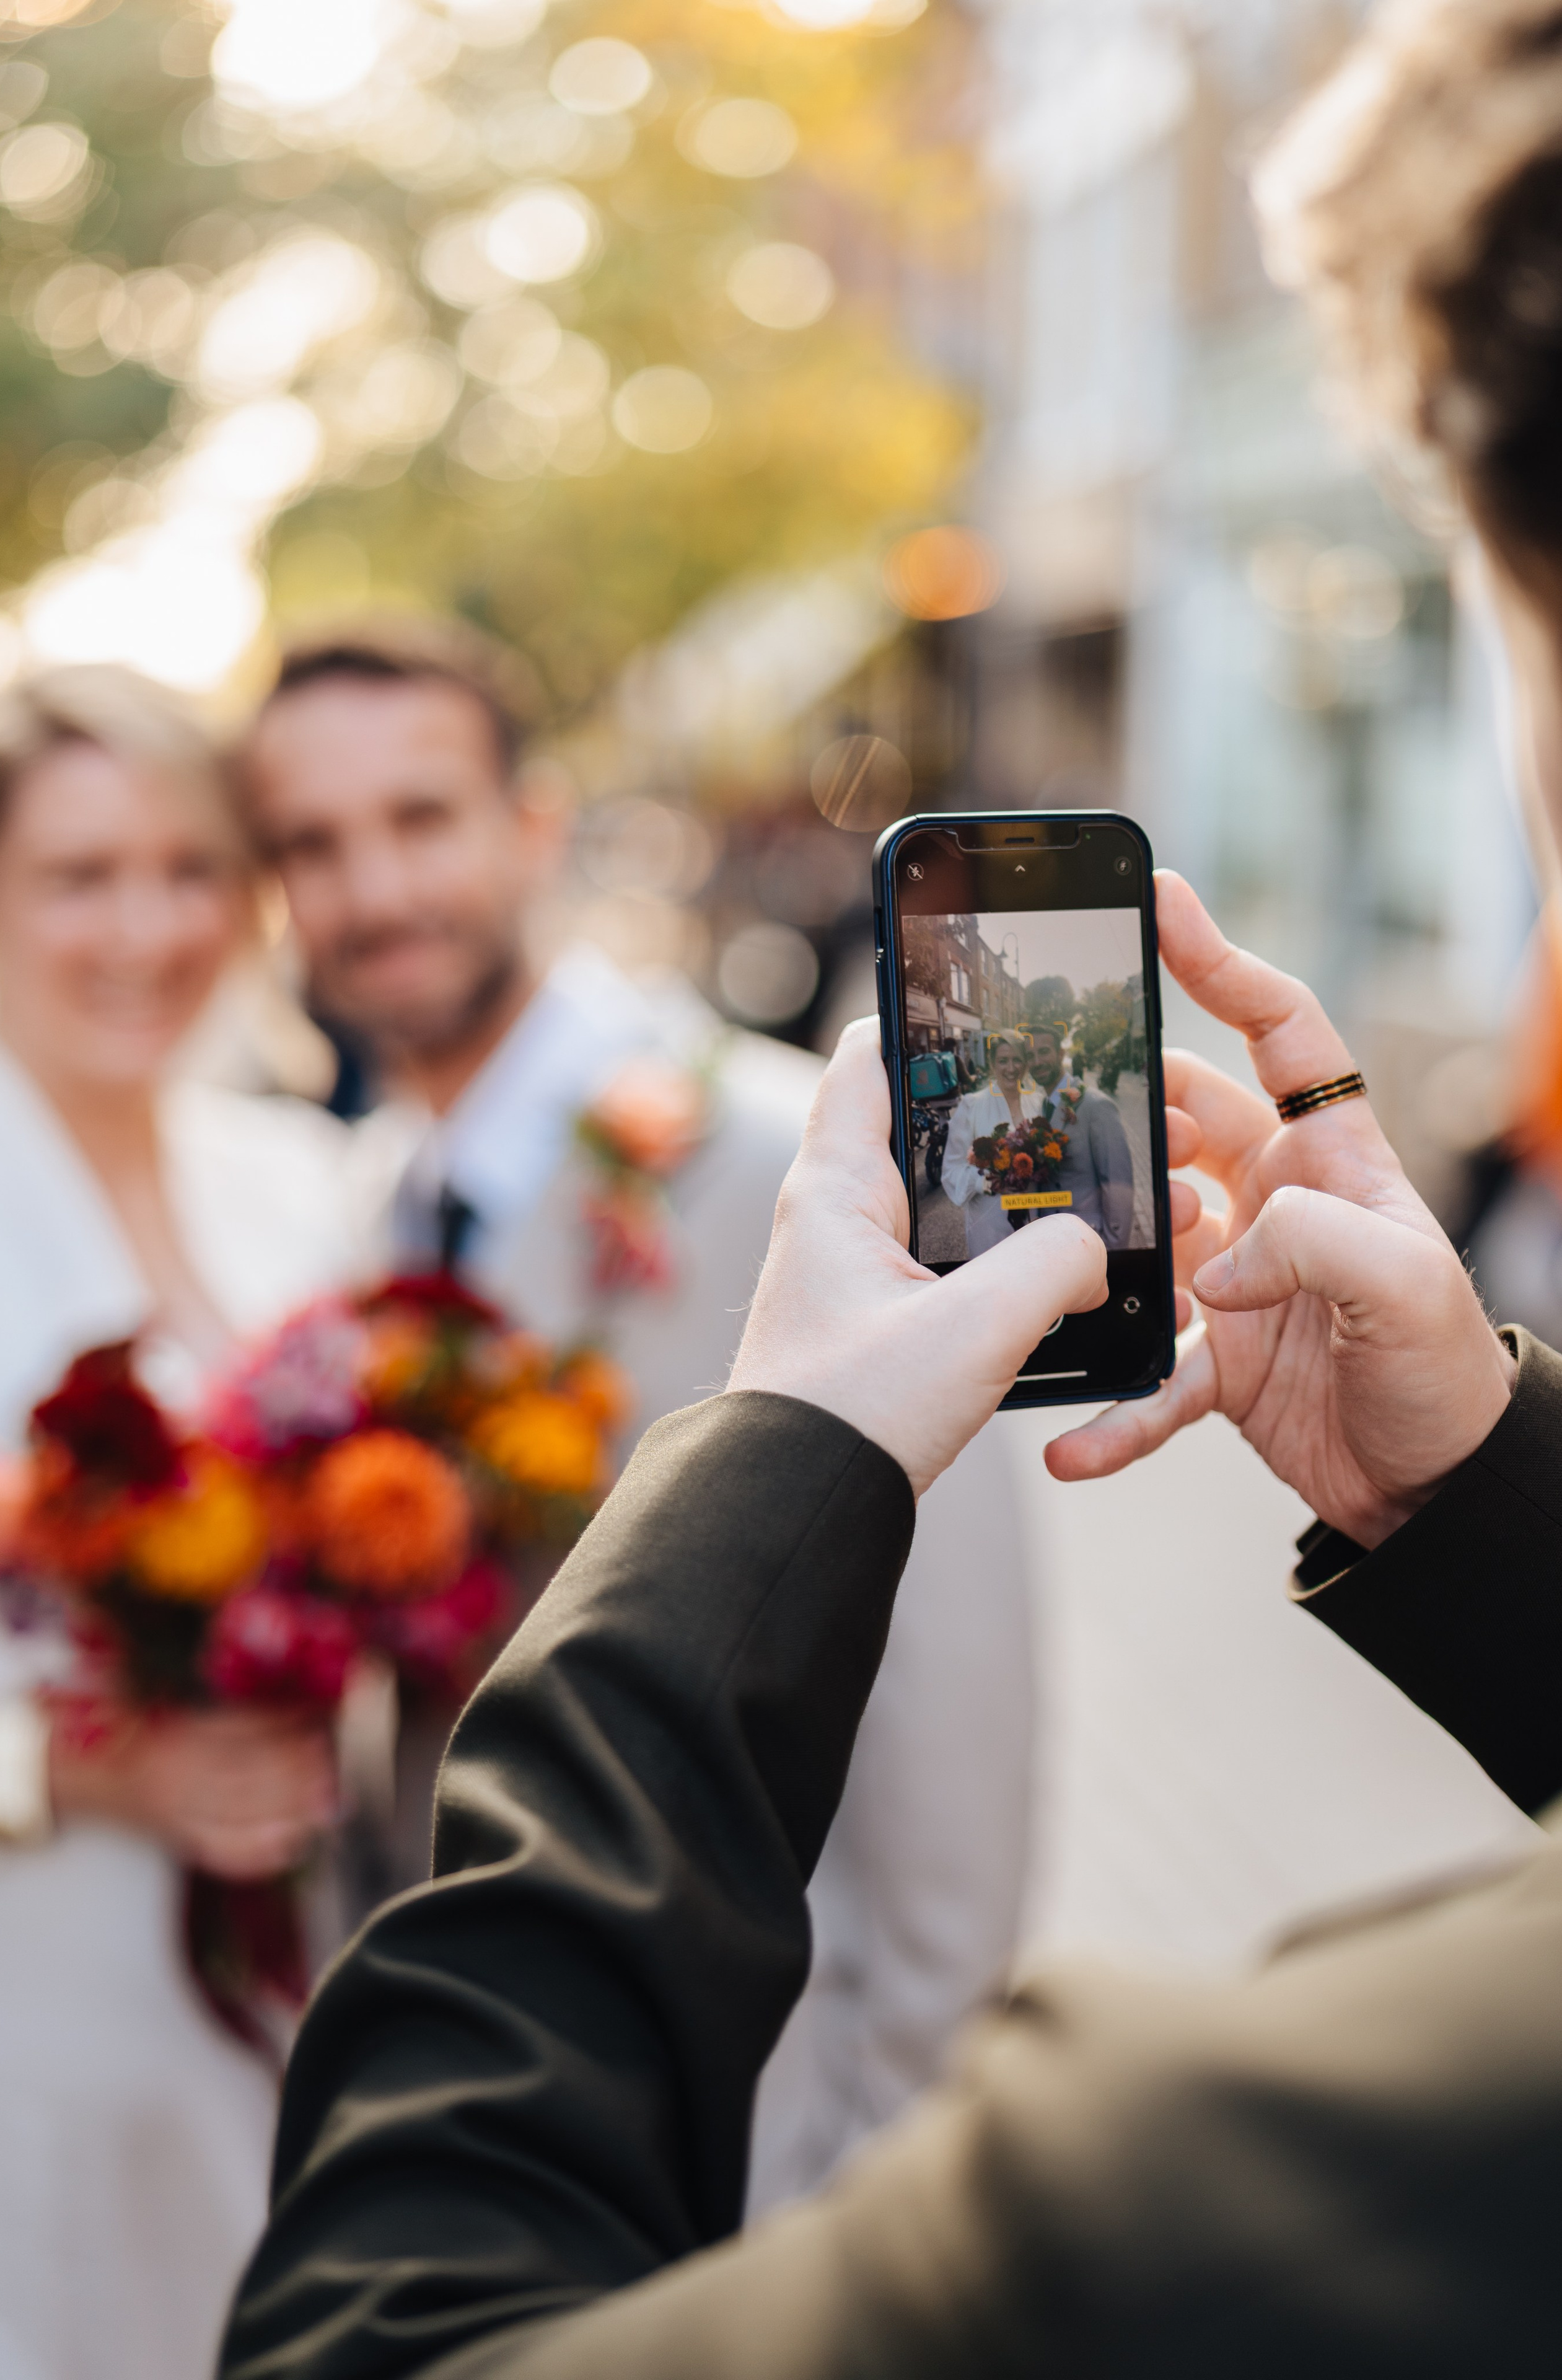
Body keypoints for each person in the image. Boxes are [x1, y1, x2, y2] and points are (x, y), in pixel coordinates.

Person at [214, 6, 1562, 2363]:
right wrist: (1498, 1505)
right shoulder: (320, 1212)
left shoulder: (1208, 2184)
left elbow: (383, 2328)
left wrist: (775, 1465)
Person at [237, 623, 1037, 2210]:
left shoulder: (793, 1165)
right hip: (479, 2123)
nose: (375, 890)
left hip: (758, 2145)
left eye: (419, 817)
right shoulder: (360, 1207)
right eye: (313, 845)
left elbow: (951, 1736)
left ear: (532, 825)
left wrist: (874, 2194)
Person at [0, 669, 344, 2380]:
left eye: (193, 867)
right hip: (22, 1997)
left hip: (289, 1981)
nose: (149, 926)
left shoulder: (296, 1184)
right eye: (80, 875)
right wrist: (79, 1772)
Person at [1026, 1020, 1136, 1248]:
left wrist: (1113, 1249)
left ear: (1060, 1054)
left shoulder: (1096, 1106)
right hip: (1051, 1239)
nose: (1037, 1062)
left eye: (1044, 1052)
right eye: (1030, 1056)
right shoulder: (1042, 1107)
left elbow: (1117, 1183)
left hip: (1088, 1240)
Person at [939, 1030, 1037, 1253]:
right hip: (989, 1225)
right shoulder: (972, 1106)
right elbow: (951, 1170)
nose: (1011, 1069)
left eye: (1017, 1060)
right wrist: (986, 1182)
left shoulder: (1037, 1104)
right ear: (993, 1064)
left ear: (1026, 1064)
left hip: (1034, 1220)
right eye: (1003, 1061)